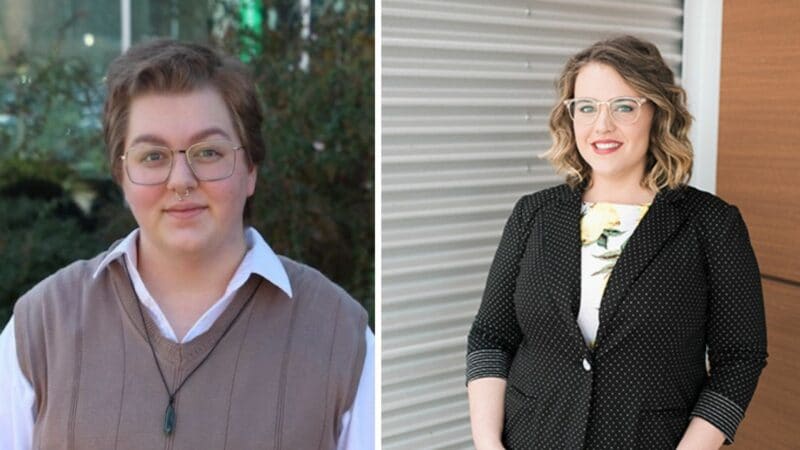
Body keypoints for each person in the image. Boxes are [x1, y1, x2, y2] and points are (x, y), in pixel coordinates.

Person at [0, 40, 373, 450]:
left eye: (208, 152)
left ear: (251, 171)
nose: (181, 180)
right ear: (121, 177)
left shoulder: (340, 335)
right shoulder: (40, 329)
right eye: (152, 156)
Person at [465, 35, 767, 450]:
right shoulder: (533, 214)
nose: (601, 126)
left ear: (657, 113)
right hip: (531, 437)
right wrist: (487, 443)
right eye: (586, 107)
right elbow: (490, 337)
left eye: (623, 106)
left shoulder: (712, 225)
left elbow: (740, 359)